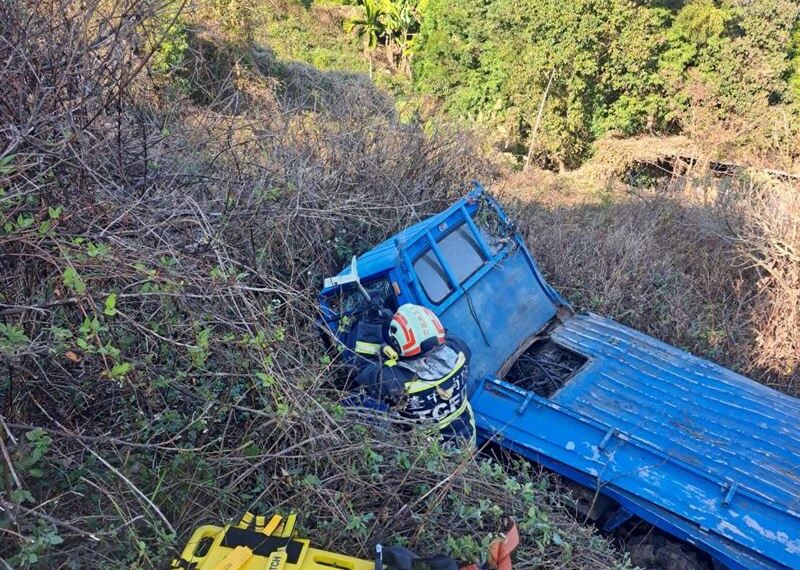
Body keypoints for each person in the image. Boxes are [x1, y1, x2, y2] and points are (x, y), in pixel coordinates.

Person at [351, 303, 475, 445]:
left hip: (428, 453)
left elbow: (362, 368)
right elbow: (440, 333)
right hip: (467, 438)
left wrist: (371, 325)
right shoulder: (460, 351)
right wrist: (398, 324)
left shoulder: (397, 382)